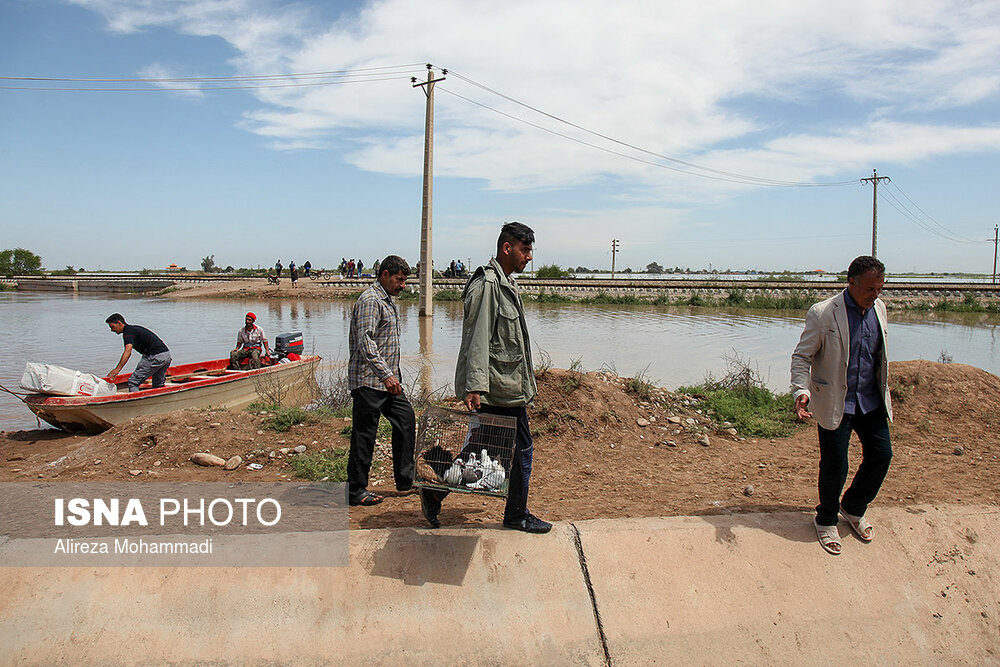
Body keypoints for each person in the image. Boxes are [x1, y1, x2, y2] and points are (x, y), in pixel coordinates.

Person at [420, 222, 551, 533]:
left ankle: (436, 491)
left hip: (504, 385)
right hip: (495, 387)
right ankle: (516, 514)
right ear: (507, 248)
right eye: (525, 250)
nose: (529, 257)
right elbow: (476, 338)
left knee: (487, 450)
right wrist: (475, 386)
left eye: (530, 250)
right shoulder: (489, 285)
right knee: (520, 450)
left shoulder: (505, 283)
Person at [791, 255, 893, 555]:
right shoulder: (824, 313)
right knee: (835, 463)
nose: (875, 295)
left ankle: (853, 506)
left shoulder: (880, 309)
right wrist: (801, 390)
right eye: (870, 289)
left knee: (882, 455)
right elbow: (802, 356)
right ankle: (825, 520)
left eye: (880, 289)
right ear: (851, 282)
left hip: (870, 399)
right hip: (836, 400)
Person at [347, 255, 415, 506]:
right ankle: (355, 490)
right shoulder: (370, 300)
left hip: (388, 382)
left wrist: (391, 376)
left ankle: (405, 480)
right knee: (365, 435)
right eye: (399, 280)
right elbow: (366, 342)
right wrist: (385, 375)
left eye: (404, 281)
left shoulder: (388, 300)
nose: (403, 286)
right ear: (385, 275)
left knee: (406, 419)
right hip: (369, 381)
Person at [105, 314, 172, 392]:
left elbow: (128, 351)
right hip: (166, 355)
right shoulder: (133, 329)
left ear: (119, 323)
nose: (112, 330)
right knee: (158, 384)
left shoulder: (128, 332)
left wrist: (117, 369)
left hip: (155, 357)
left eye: (112, 327)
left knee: (133, 382)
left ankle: (135, 402)